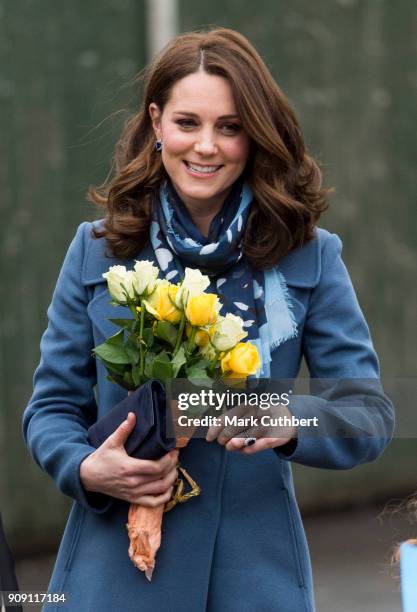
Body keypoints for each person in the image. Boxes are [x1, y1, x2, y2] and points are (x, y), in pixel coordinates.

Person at [23, 27, 394, 612]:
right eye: (187, 122)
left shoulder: (311, 254)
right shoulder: (96, 249)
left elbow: (371, 415)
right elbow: (50, 410)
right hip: (113, 578)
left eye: (230, 127)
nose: (205, 147)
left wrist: (288, 416)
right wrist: (88, 467)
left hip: (253, 581)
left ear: (256, 135)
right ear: (156, 123)